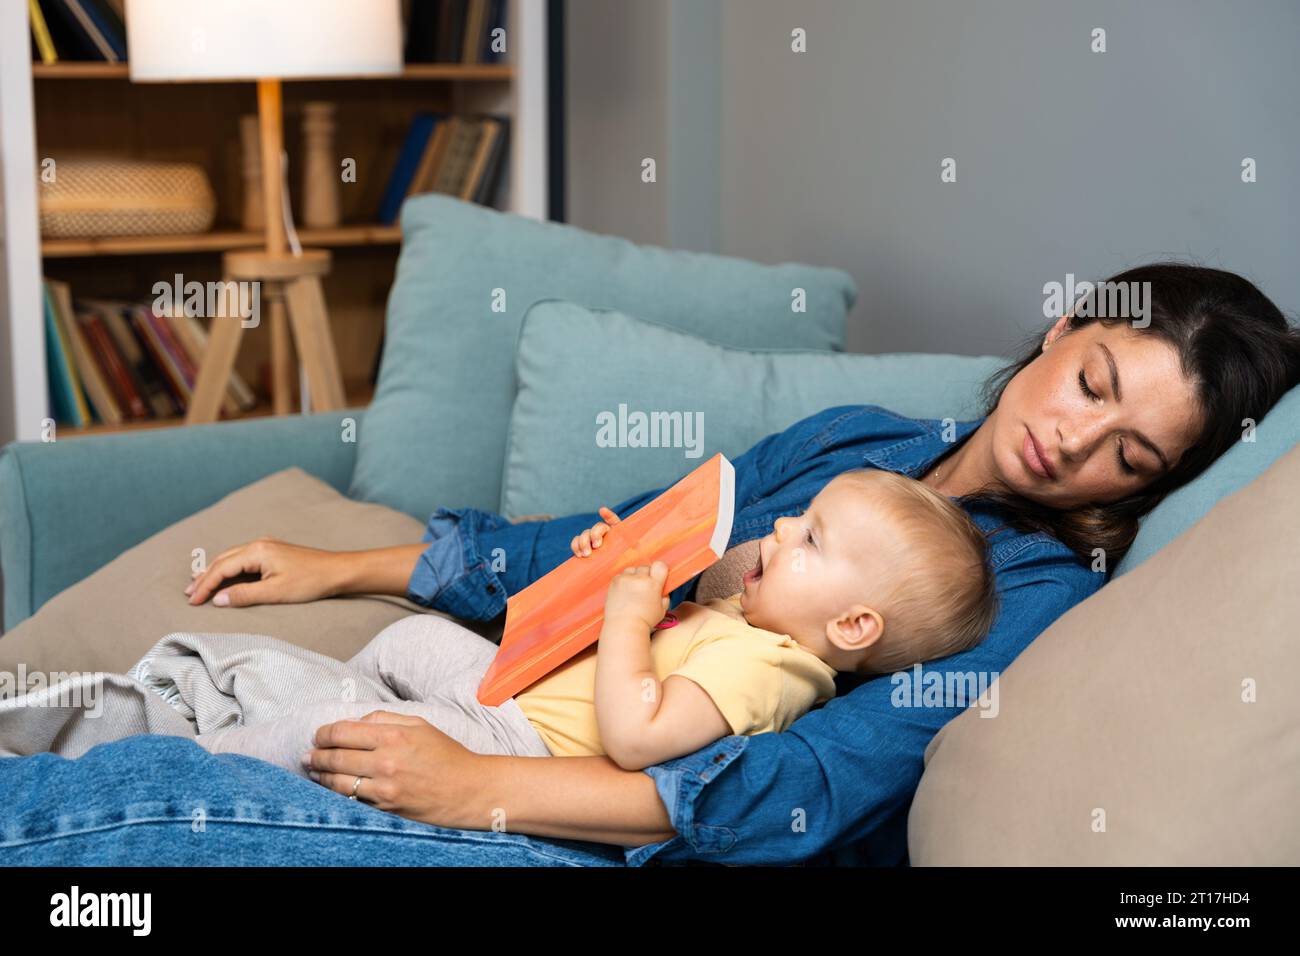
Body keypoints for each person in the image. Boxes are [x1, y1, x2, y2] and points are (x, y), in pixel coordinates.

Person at [2, 263, 1297, 866]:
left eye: (1130, 455)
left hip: (585, 824)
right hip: (503, 713)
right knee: (182, 703)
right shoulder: (864, 442)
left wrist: (479, 796)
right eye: (1091, 381)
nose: (1072, 439)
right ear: (1068, 321)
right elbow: (616, 545)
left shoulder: (1028, 600)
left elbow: (822, 781)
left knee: (158, 813)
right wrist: (348, 565)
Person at [191, 470, 999, 776]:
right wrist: (608, 566)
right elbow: (623, 628)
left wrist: (625, 616)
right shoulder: (753, 615)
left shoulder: (774, 671)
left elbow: (637, 737)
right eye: (801, 519)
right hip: (512, 690)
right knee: (407, 640)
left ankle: (206, 760)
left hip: (524, 746)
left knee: (336, 728)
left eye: (811, 539)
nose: (781, 530)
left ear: (854, 628)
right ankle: (334, 689)